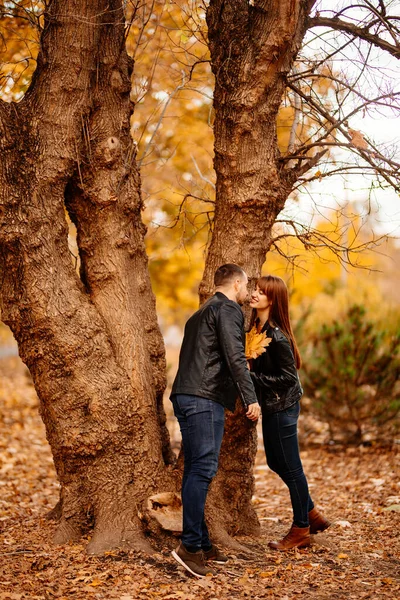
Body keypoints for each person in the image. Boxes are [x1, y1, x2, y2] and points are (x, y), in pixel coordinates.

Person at [170, 264, 260, 578]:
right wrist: (250, 398)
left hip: (184, 395)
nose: (248, 292)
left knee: (196, 466)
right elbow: (235, 357)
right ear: (236, 283)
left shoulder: (200, 313)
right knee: (203, 468)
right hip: (203, 398)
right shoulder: (229, 309)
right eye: (247, 286)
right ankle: (190, 546)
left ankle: (204, 543)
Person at [248, 275, 330, 551]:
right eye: (255, 290)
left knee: (292, 468)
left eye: (261, 292)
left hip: (283, 406)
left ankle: (301, 530)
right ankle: (312, 514)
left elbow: (288, 378)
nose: (254, 294)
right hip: (273, 405)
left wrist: (251, 377)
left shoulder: (276, 336)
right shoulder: (257, 328)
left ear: (273, 299)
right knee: (275, 462)